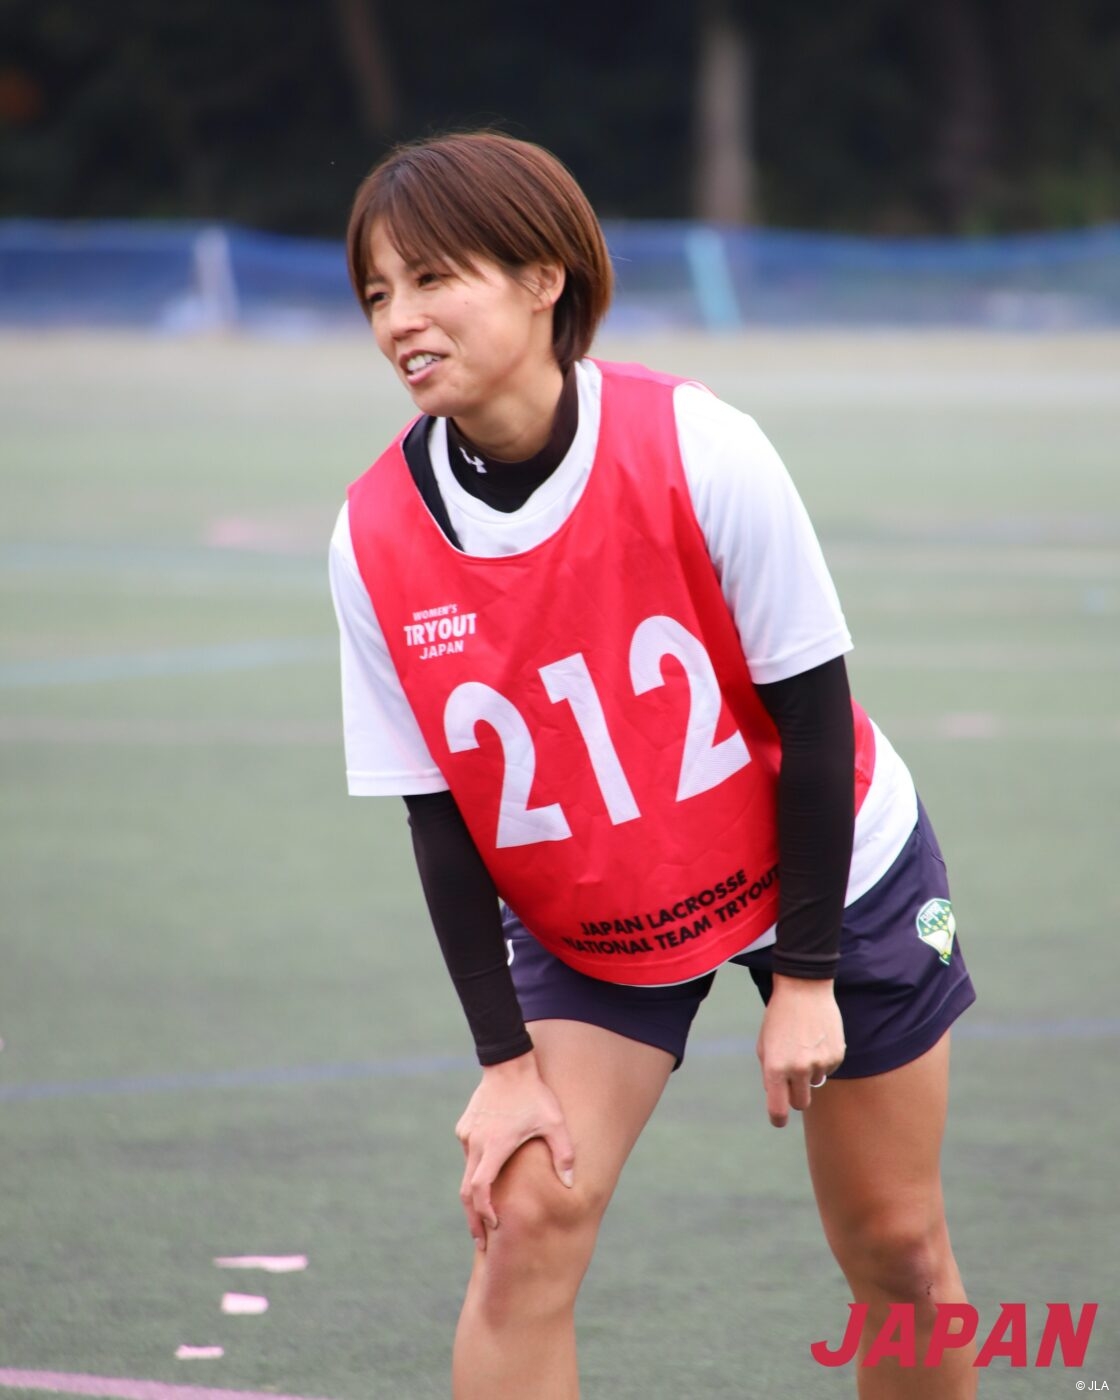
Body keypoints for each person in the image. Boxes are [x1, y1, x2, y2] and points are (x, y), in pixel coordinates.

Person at [329, 130, 978, 1400]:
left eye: (433, 278)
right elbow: (439, 818)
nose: (399, 319)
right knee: (524, 1224)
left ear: (543, 277)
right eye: (376, 292)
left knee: (897, 1248)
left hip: (826, 867)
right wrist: (503, 1062)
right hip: (598, 900)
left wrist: (806, 976)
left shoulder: (698, 443)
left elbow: (816, 721)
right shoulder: (373, 535)